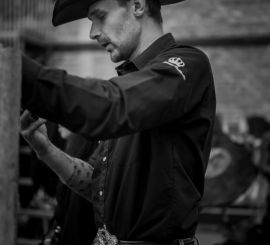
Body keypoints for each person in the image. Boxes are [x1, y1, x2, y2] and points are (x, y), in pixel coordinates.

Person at [20, 0, 216, 244]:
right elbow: (98, 188)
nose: (92, 33)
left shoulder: (188, 63)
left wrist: (18, 71)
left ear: (137, 5)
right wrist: (46, 150)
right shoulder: (130, 86)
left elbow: (111, 105)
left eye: (100, 16)